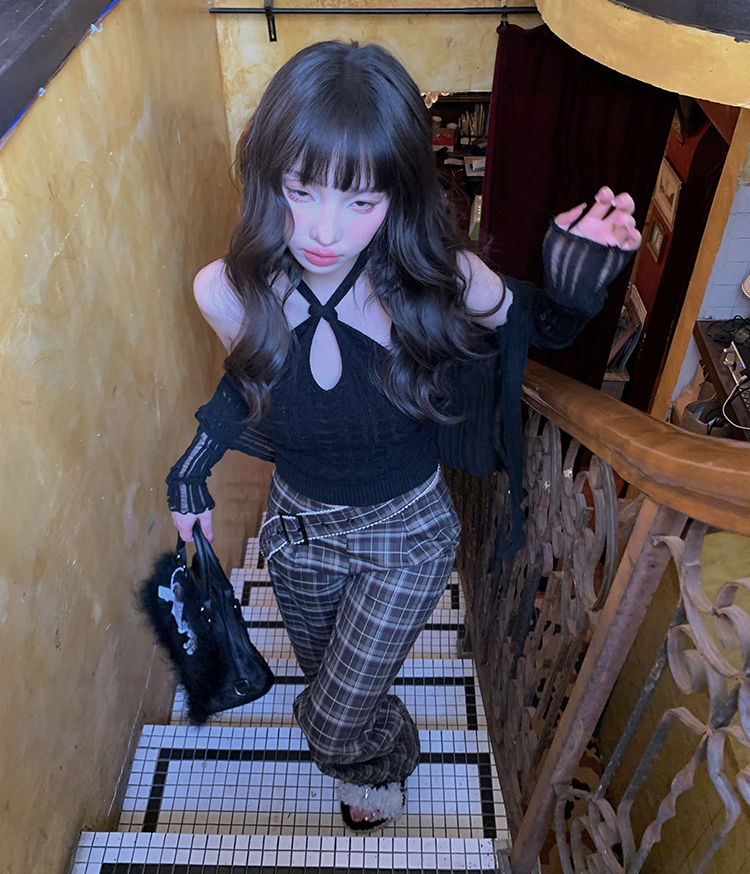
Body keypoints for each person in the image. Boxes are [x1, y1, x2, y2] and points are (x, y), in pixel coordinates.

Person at [166, 40, 641, 832]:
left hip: (407, 534)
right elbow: (251, 386)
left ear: (399, 195)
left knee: (329, 716)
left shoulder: (437, 277)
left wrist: (574, 291)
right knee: (337, 682)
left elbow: (539, 330)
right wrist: (190, 473)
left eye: (361, 201)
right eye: (301, 190)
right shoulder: (225, 290)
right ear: (266, 177)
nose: (324, 230)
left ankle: (389, 758)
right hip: (299, 531)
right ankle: (367, 756)